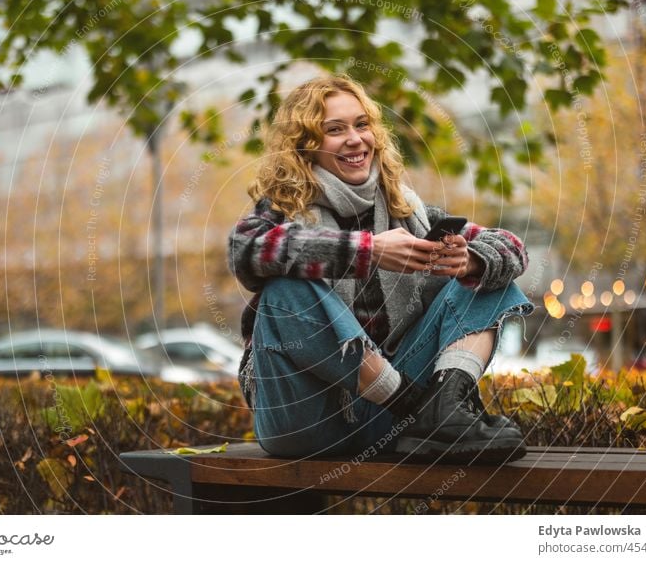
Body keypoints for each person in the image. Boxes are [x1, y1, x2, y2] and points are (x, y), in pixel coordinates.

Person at [227, 75, 534, 464]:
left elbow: (511, 247)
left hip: (389, 419)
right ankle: (417, 407)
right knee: (285, 291)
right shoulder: (282, 208)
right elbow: (246, 249)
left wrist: (471, 260)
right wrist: (367, 251)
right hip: (304, 419)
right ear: (306, 145)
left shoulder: (407, 211)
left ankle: (443, 410)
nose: (355, 139)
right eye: (335, 130)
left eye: (361, 124)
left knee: (489, 277)